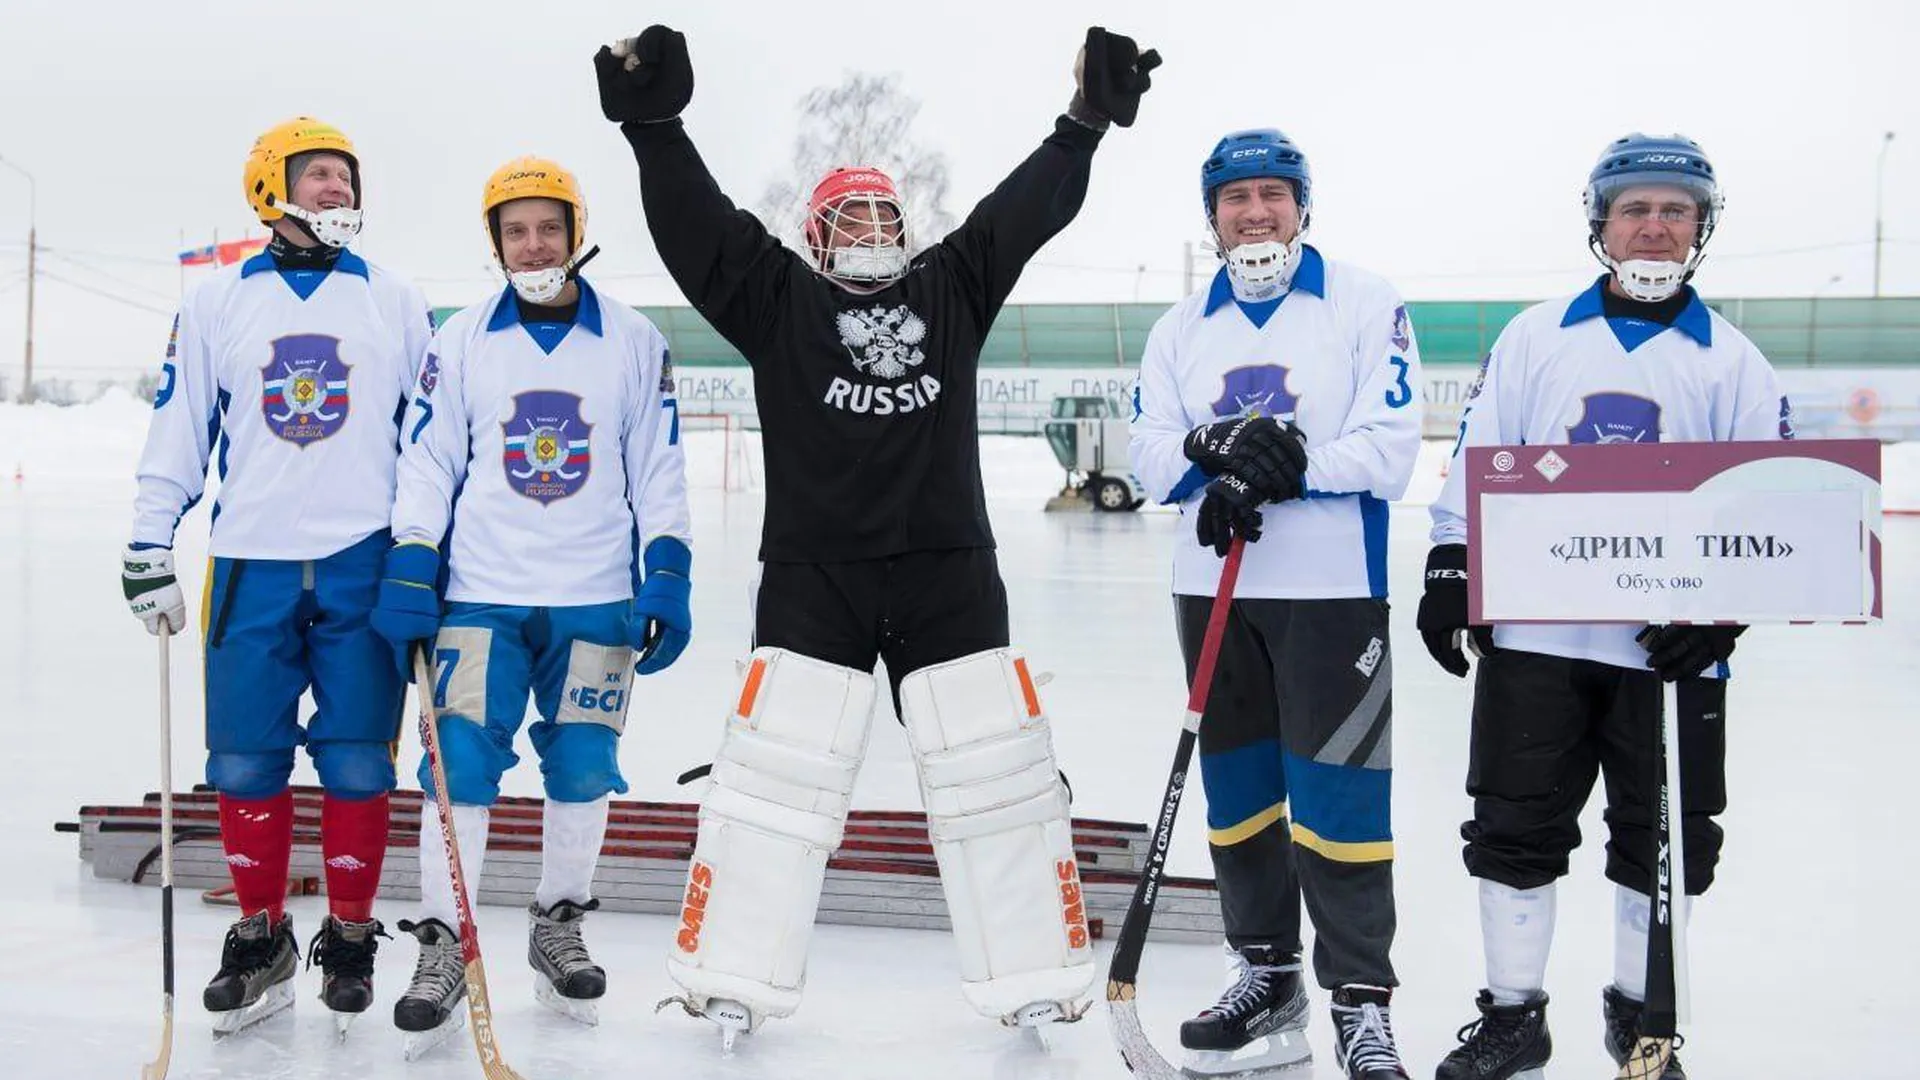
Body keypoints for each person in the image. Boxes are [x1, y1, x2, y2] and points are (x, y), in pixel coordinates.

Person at [590, 23, 1159, 1043]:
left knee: (998, 780)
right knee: (772, 784)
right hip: (817, 574)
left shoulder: (953, 286)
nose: (868, 225)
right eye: (847, 214)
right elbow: (699, 229)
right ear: (815, 237)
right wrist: (657, 128)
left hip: (949, 569)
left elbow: (1022, 213)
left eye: (883, 212)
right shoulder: (778, 302)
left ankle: (1032, 969)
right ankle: (734, 976)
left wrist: (1083, 123)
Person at [1420, 134, 1793, 1080]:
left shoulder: (1737, 362)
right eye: (1637, 208)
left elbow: (1774, 506)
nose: (1656, 227)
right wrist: (1450, 566)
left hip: (1668, 655)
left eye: (1676, 210)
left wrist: (1723, 613)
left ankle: (1643, 1021)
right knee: (1513, 826)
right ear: (1601, 223)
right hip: (1536, 640)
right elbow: (1478, 461)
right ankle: (1514, 1018)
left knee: (1664, 838)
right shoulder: (1535, 337)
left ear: (1702, 227)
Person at [121, 116, 432, 1034]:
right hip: (251, 563)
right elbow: (179, 428)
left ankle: (347, 936)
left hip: (363, 561)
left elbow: (428, 438)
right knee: (245, 760)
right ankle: (260, 938)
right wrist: (149, 540)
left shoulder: (396, 298)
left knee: (357, 763)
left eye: (348, 177)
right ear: (272, 185)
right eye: (322, 174)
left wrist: (421, 545)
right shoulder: (218, 301)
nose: (341, 189)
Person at [369, 156, 691, 1043]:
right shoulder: (460, 338)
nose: (534, 243)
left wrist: (667, 568)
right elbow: (430, 459)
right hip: (482, 597)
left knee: (585, 768)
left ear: (577, 231)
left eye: (549, 226)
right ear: (495, 242)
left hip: (595, 601)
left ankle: (558, 926)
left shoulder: (633, 338)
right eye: (516, 230)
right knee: (459, 769)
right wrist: (411, 558)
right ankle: (444, 940)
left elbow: (658, 465)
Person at [1128, 128, 1422, 1080]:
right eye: (1236, 198)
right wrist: (1212, 461)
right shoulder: (1181, 328)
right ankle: (1267, 972)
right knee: (1241, 796)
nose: (1256, 212)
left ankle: (1360, 1001)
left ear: (1304, 205)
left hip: (1331, 593)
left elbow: (1389, 448)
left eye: (1274, 195)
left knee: (1340, 797)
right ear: (1211, 216)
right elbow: (1145, 453)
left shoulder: (1365, 302)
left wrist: (1290, 467)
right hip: (1212, 589)